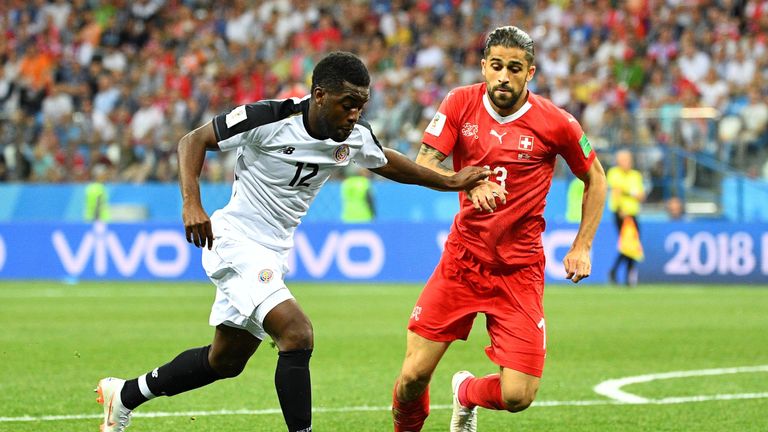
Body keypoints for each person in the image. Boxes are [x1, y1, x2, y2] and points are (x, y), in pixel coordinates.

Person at [95, 52, 492, 432]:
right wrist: (191, 203)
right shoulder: (268, 118)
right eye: (347, 103)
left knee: (225, 360)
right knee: (296, 333)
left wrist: (451, 181)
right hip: (234, 240)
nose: (354, 114)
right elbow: (192, 141)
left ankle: (125, 394)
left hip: (272, 250)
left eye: (361, 105)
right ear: (319, 95)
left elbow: (387, 160)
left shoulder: (352, 135)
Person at [390, 26, 607, 432]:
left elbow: (595, 177)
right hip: (463, 261)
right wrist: (468, 181)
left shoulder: (556, 123)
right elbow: (424, 164)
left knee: (517, 396)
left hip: (518, 272)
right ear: (483, 67)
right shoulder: (459, 103)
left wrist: (583, 245)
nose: (503, 76)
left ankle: (465, 393)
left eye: (513, 68)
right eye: (495, 66)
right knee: (412, 378)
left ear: (530, 73)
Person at [606, 149, 645, 286]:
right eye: (623, 160)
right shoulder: (614, 173)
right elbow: (616, 192)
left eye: (628, 160)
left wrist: (627, 192)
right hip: (621, 214)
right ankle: (619, 273)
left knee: (632, 246)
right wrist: (621, 208)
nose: (626, 163)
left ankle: (624, 275)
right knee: (628, 245)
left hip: (633, 214)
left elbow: (641, 196)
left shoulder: (636, 175)